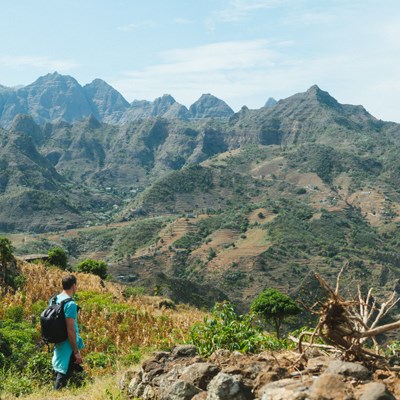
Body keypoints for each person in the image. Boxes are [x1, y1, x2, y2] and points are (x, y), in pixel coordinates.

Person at [52, 274, 85, 390]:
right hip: (68, 344)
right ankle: (57, 394)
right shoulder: (70, 304)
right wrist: (76, 351)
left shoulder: (55, 299)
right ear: (74, 285)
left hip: (58, 341)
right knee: (63, 372)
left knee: (60, 367)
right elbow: (70, 329)